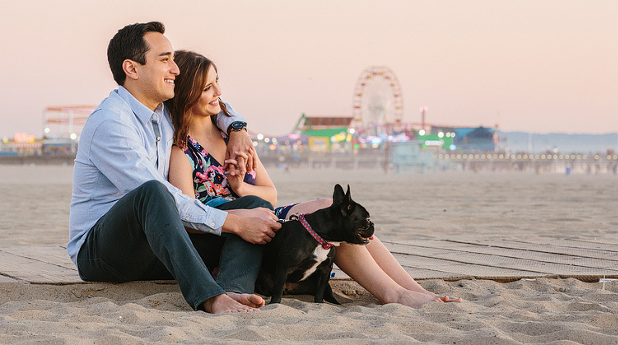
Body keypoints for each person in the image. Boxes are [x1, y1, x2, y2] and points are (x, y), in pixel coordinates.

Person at [163, 50, 460, 306]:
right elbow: (188, 214)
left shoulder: (234, 138)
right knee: (330, 223)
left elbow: (270, 194)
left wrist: (240, 186)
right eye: (207, 88)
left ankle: (413, 289)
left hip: (264, 216)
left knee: (330, 209)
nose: (218, 93)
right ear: (187, 93)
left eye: (218, 84)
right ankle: (394, 294)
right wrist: (240, 217)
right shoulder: (182, 150)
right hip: (233, 235)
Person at [69, 22, 280, 314]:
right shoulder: (112, 123)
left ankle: (234, 290)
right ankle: (209, 297)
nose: (176, 70)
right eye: (165, 60)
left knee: (254, 205)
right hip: (105, 253)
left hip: (158, 243)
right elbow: (160, 198)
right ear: (132, 69)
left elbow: (212, 101)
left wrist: (237, 128)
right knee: (154, 192)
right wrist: (235, 222)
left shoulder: (162, 111)